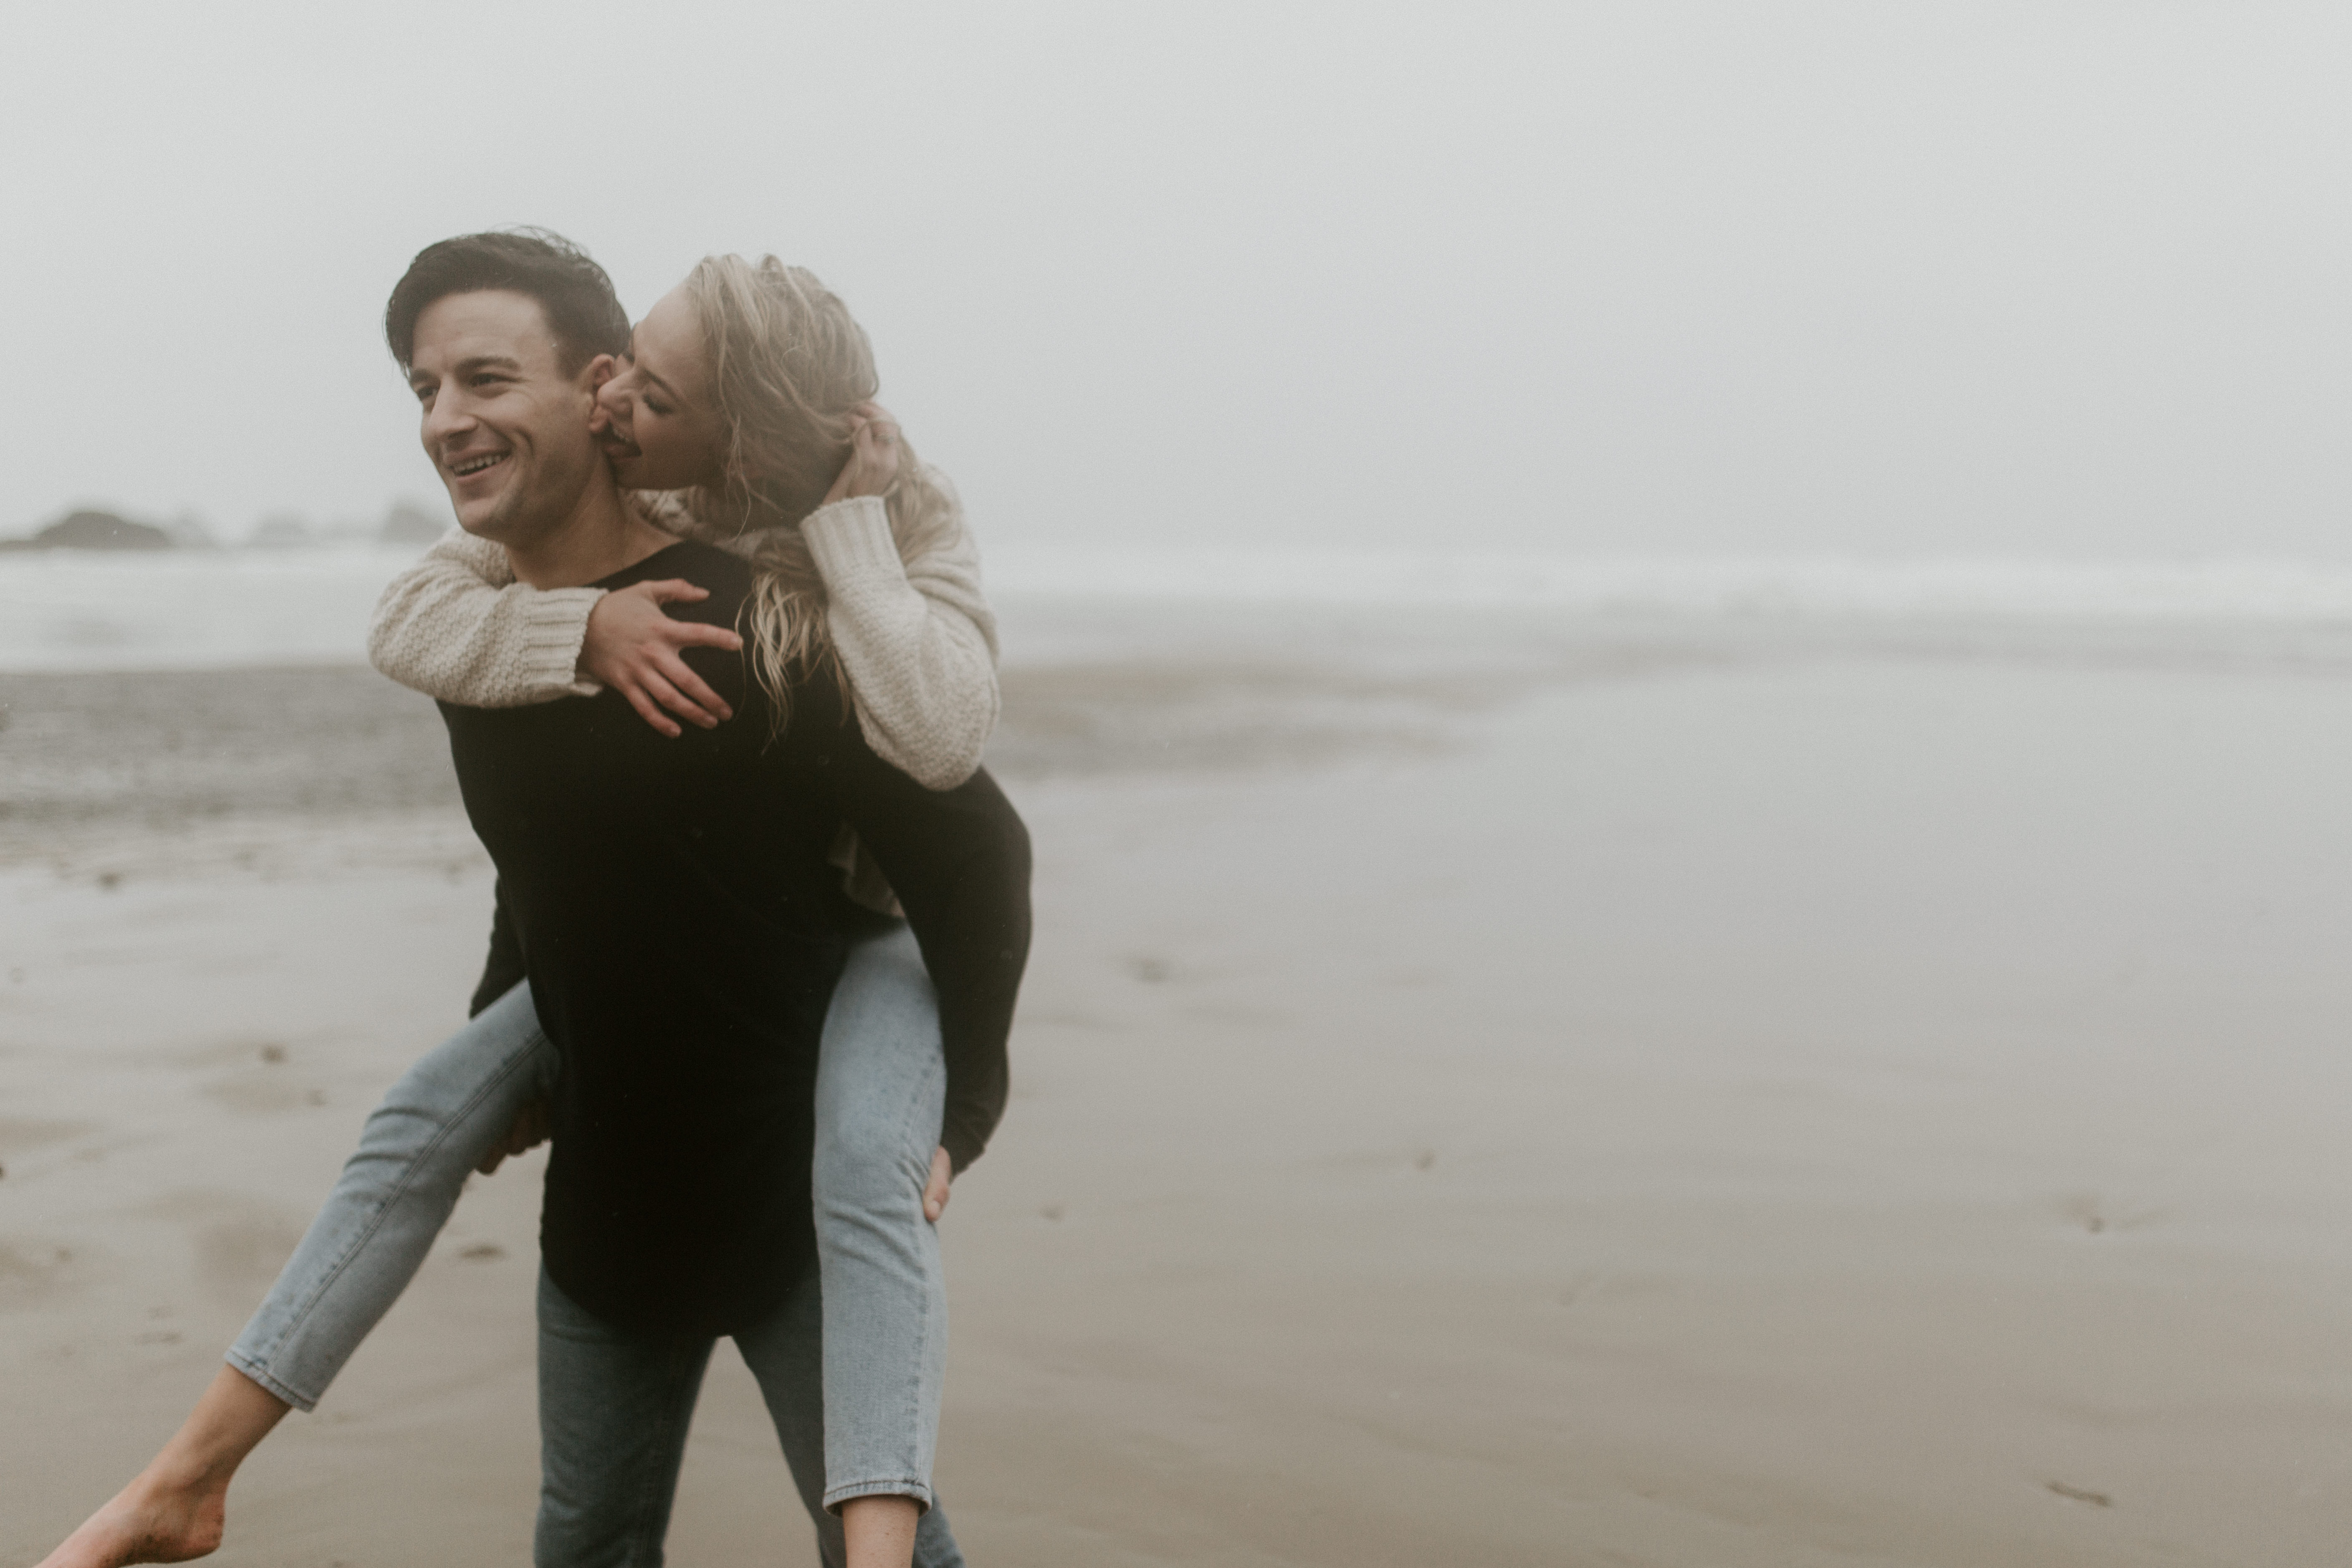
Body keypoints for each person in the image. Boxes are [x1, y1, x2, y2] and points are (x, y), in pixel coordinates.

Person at [37, 233, 1020, 1568]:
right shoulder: (484, 636)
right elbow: (544, 867)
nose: (447, 420)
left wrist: (960, 1108)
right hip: (612, 1215)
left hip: (787, 1203)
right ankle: (182, 1487)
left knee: (896, 1552)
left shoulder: (764, 617)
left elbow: (972, 841)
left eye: (488, 378)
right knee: (581, 1542)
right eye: (424, 389)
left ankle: (179, 1484)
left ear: (598, 390)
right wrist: (511, 1043)